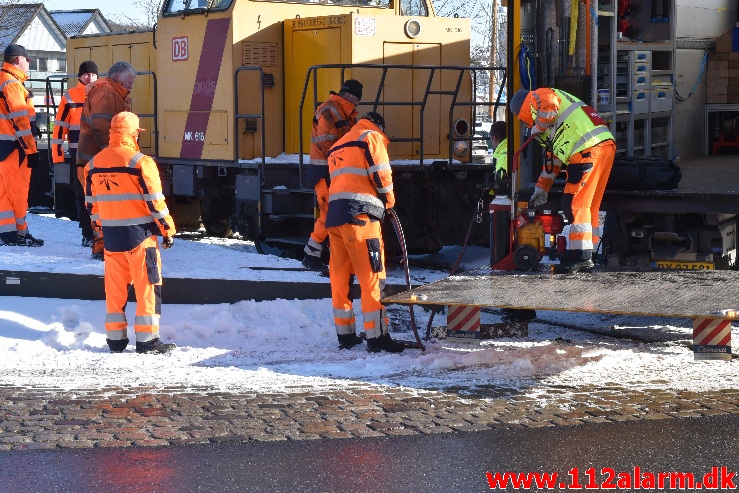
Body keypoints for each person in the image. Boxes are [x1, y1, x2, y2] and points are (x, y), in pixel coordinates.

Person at [84, 111, 176, 354]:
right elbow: (155, 202)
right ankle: (147, 341)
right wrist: (167, 230)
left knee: (114, 291)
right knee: (147, 287)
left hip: (112, 239)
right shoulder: (140, 163)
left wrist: (101, 233)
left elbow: (92, 207)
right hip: (141, 238)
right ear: (133, 134)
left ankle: (115, 340)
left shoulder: (93, 164)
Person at [509, 87, 616, 274]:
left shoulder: (537, 98)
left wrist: (538, 127)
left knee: (574, 203)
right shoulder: (553, 124)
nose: (522, 121)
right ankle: (587, 253)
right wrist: (542, 189)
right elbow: (553, 162)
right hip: (603, 146)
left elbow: (549, 102)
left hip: (587, 149)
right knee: (589, 206)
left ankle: (580, 257)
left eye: (519, 116)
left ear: (520, 109)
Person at [325, 112, 405, 353]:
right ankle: (377, 338)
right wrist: (389, 202)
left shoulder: (337, 145)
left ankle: (346, 336)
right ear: (379, 125)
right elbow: (382, 175)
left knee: (340, 278)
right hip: (360, 218)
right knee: (372, 277)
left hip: (335, 218)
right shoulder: (371, 138)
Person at [77, 61, 137, 260]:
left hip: (97, 161)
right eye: (129, 81)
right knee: (102, 206)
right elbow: (102, 128)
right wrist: (116, 156)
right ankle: (103, 248)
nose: (131, 85)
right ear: (118, 78)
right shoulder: (106, 93)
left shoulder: (112, 93)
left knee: (103, 206)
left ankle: (105, 247)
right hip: (99, 163)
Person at [302, 79, 363, 271]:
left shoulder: (341, 111)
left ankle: (317, 253)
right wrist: (344, 159)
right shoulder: (331, 110)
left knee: (331, 213)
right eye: (357, 99)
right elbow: (326, 142)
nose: (357, 104)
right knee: (329, 213)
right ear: (350, 96)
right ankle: (312, 254)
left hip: (332, 170)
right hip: (326, 171)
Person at [51, 61, 99, 247]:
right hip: (78, 155)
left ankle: (99, 234)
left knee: (99, 195)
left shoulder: (103, 93)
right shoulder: (70, 96)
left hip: (99, 154)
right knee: (82, 195)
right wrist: (57, 155)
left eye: (93, 74)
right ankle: (88, 234)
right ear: (80, 76)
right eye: (86, 74)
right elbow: (59, 127)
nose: (89, 77)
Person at [0, 44, 43, 247]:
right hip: (15, 148)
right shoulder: (12, 84)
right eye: (27, 60)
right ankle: (20, 233)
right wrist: (32, 150)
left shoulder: (3, 81)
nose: (28, 64)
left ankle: (7, 233)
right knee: (18, 192)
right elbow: (21, 121)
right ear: (18, 60)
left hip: (3, 147)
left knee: (3, 191)